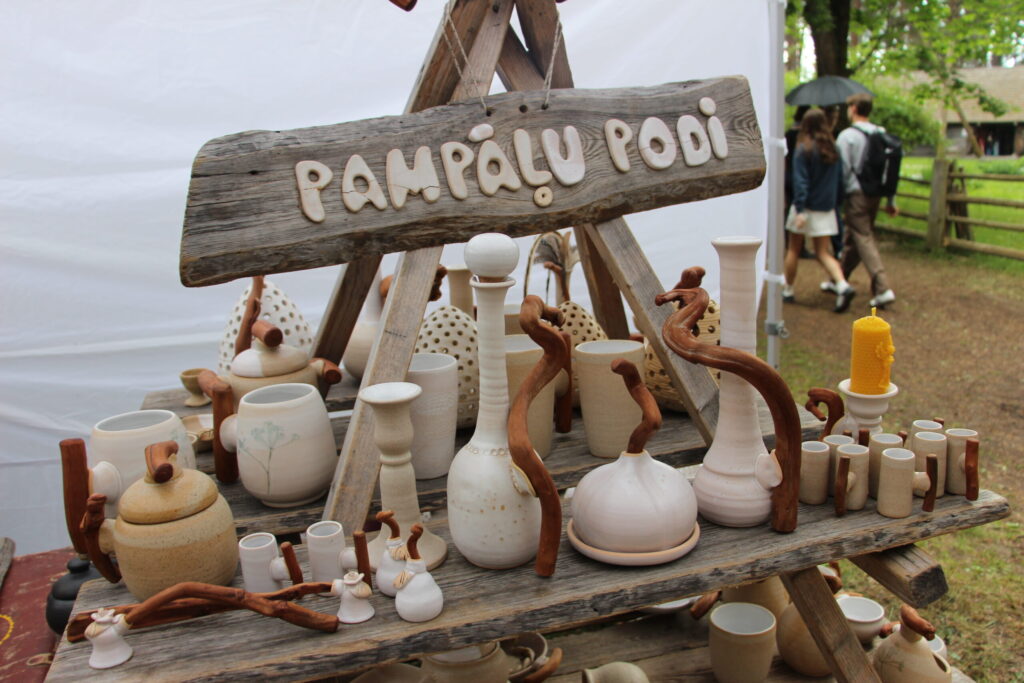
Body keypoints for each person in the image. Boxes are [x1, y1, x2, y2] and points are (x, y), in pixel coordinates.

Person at [825, 93, 898, 309]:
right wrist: (890, 198)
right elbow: (889, 168)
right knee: (854, 237)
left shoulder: (847, 136)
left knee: (863, 237)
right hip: (875, 193)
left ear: (854, 108)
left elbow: (844, 169)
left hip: (856, 193)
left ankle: (883, 288)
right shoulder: (880, 133)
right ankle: (838, 279)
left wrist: (839, 197)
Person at [782, 108, 854, 312]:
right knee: (822, 252)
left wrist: (799, 209)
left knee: (793, 249)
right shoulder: (833, 149)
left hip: (805, 207)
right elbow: (839, 181)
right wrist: (836, 205)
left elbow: (801, 181)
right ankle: (842, 285)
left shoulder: (804, 149)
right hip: (826, 208)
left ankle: (788, 289)